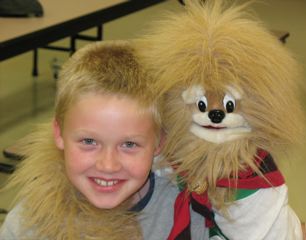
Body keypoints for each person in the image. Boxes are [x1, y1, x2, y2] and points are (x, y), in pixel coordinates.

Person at [0, 40, 208, 240]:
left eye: (129, 144)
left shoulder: (193, 213)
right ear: (59, 133)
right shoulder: (28, 226)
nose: (108, 165)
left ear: (159, 142)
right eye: (89, 141)